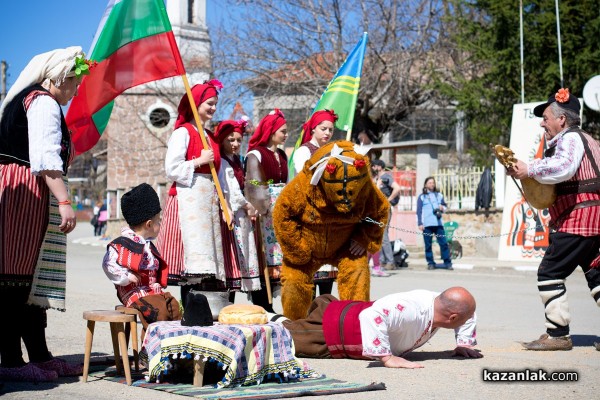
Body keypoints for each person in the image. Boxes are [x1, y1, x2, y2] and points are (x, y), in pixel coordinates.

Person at [0, 47, 90, 382]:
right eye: (74, 83)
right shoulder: (43, 102)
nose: (76, 91)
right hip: (23, 189)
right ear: (57, 77)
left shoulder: (36, 101)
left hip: (29, 188)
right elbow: (45, 157)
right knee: (14, 278)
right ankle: (9, 357)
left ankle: (39, 353)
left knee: (32, 280)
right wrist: (65, 202)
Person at [506, 88, 600, 351]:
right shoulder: (591, 140)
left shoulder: (570, 139)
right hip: (592, 217)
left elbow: (563, 168)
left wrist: (530, 168)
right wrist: (525, 175)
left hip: (577, 217)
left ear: (562, 119)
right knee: (596, 274)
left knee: (550, 272)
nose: (542, 122)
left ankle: (558, 334)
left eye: (546, 117)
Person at [272, 287, 481, 368]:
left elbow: (467, 312)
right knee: (276, 338)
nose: (468, 319)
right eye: (461, 320)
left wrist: (463, 342)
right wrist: (386, 358)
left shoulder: (441, 303)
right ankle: (268, 319)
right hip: (331, 330)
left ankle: (277, 319)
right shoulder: (413, 309)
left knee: (287, 327)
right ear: (452, 317)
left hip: (344, 317)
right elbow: (371, 315)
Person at [155, 79, 227, 309]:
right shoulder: (183, 133)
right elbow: (172, 168)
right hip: (189, 201)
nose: (213, 108)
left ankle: (200, 310)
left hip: (207, 203)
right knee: (190, 259)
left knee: (205, 261)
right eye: (209, 103)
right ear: (196, 104)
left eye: (216, 104)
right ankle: (187, 309)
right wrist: (198, 161)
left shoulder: (209, 135)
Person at [102, 184, 180, 334]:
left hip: (151, 292)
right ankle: (150, 350)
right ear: (149, 224)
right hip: (134, 293)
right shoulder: (123, 244)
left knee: (174, 307)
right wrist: (125, 276)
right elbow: (107, 264)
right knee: (158, 311)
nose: (160, 224)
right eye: (158, 221)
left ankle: (172, 346)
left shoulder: (147, 245)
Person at [245, 109, 289, 312]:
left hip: (281, 211)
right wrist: (263, 205)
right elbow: (253, 181)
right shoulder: (256, 154)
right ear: (271, 131)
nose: (286, 134)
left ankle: (276, 302)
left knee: (280, 258)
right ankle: (264, 303)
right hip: (264, 211)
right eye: (283, 131)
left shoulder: (281, 154)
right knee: (265, 256)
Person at [293, 110, 340, 295]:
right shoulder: (304, 151)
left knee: (327, 266)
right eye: (323, 129)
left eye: (330, 129)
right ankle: (310, 307)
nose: (327, 133)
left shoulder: (331, 151)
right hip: (310, 210)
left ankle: (325, 306)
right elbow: (304, 178)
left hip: (327, 211)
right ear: (313, 129)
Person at [214, 119, 261, 295]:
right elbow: (230, 190)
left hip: (243, 214)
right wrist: (247, 205)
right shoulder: (223, 162)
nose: (235, 144)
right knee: (233, 257)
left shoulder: (239, 161)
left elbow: (247, 184)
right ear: (222, 140)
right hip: (232, 213)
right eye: (230, 140)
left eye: (238, 140)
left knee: (244, 254)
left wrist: (254, 202)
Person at [416, 177, 453, 270]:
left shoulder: (439, 195)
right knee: (428, 245)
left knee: (444, 243)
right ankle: (430, 263)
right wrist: (420, 223)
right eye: (429, 183)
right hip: (427, 224)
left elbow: (445, 206)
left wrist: (442, 208)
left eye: (433, 183)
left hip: (438, 223)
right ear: (425, 185)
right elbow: (419, 211)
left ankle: (447, 262)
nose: (431, 184)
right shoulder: (422, 197)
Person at [371, 159, 401, 270]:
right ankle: (382, 261)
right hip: (377, 210)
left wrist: (388, 200)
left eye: (374, 166)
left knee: (383, 235)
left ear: (379, 166)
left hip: (384, 210)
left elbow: (397, 188)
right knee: (380, 235)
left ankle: (390, 262)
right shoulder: (377, 179)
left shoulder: (386, 177)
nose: (373, 168)